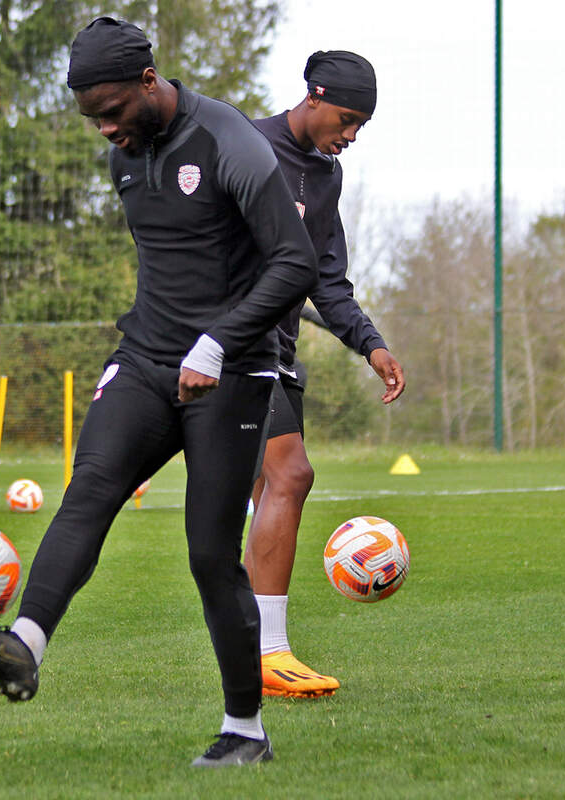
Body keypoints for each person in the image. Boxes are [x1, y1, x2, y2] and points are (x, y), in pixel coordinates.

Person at [0, 17, 319, 768]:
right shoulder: (124, 156)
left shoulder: (227, 141)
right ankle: (24, 647)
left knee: (211, 555)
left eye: (113, 111)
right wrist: (162, 343)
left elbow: (294, 263)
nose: (106, 128)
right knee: (90, 488)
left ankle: (246, 730)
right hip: (147, 358)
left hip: (233, 370)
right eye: (92, 118)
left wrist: (218, 341)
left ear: (150, 83)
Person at [246, 51, 406, 697]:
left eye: (363, 124)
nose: (352, 134)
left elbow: (327, 280)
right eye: (347, 118)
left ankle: (254, 645)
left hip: (278, 353)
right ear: (313, 96)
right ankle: (269, 651)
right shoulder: (245, 146)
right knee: (291, 474)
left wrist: (372, 346)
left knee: (264, 490)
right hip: (231, 347)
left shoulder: (326, 177)